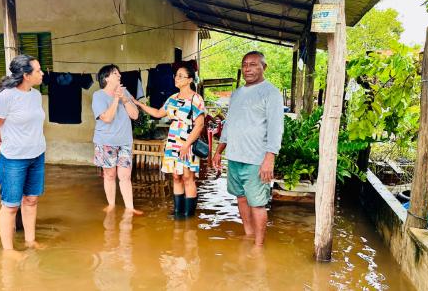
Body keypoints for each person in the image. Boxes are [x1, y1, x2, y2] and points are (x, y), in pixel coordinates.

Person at [213, 51, 284, 246]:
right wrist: (219, 151)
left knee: (257, 203)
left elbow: (276, 128)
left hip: (256, 159)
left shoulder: (271, 93)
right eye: (245, 64)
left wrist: (270, 158)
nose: (247, 68)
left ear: (264, 67)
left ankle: (259, 246)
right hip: (235, 156)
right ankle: (248, 234)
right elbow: (229, 125)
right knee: (241, 198)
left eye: (253, 64)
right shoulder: (236, 94)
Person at [0, 54, 46, 253]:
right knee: (10, 205)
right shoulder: (6, 97)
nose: (42, 73)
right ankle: (9, 251)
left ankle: (30, 241)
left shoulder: (36, 95)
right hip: (13, 160)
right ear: (26, 75)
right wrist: (3, 140)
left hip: (37, 155)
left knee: (31, 200)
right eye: (38, 70)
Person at [132, 65, 205, 218]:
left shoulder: (196, 99)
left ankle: (189, 214)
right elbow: (159, 113)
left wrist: (186, 145)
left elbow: (200, 125)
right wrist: (139, 105)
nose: (176, 78)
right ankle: (178, 212)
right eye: (176, 76)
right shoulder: (172, 98)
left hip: (188, 142)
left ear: (190, 80)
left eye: (180, 76)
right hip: (173, 142)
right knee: (176, 176)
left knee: (187, 177)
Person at [92, 64, 143, 215]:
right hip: (106, 142)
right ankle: (112, 205)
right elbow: (107, 118)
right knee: (109, 175)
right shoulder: (98, 96)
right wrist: (116, 99)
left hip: (125, 142)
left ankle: (130, 208)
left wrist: (125, 99)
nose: (119, 75)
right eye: (115, 73)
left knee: (125, 176)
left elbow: (135, 115)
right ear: (106, 78)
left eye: (119, 73)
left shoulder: (125, 91)